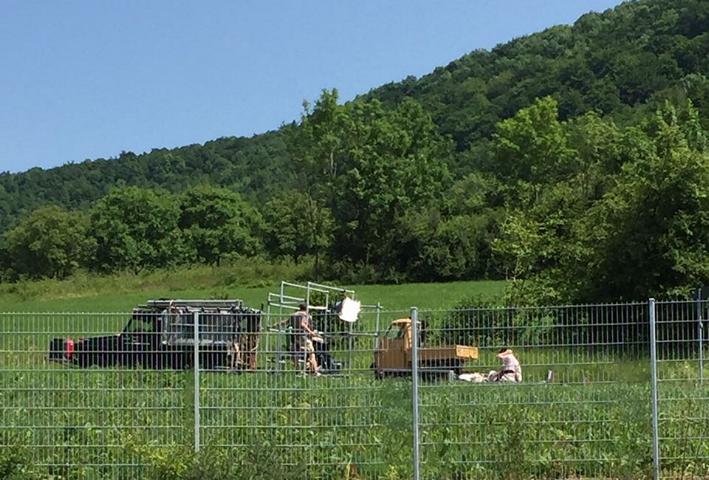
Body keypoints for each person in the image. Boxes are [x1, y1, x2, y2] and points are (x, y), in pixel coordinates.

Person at [289, 304, 321, 376]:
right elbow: (303, 324)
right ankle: (315, 371)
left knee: (297, 353)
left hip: (296, 337)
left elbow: (287, 322)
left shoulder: (294, 315)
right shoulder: (305, 315)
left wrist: (276, 325)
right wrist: (311, 332)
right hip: (304, 337)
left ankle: (298, 369)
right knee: (311, 353)